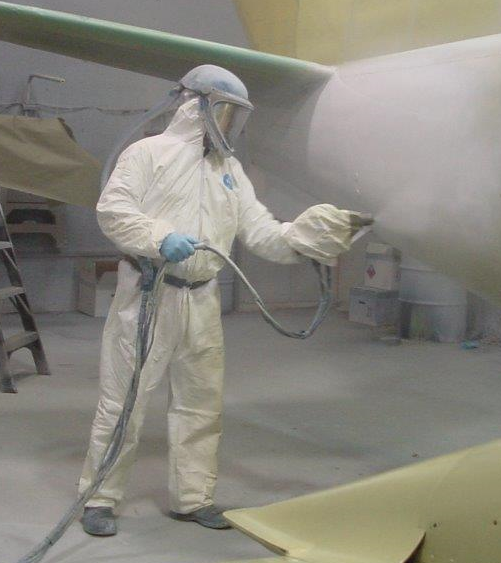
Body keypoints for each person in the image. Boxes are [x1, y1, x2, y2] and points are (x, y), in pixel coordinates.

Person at [79, 65, 355, 535]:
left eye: (236, 117)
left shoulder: (229, 171)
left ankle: (192, 498)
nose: (229, 126)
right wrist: (159, 237)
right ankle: (99, 499)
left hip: (202, 299)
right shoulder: (148, 154)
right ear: (194, 105)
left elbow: (261, 232)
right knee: (124, 400)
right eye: (224, 113)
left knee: (200, 403)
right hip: (149, 294)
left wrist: (310, 237)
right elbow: (114, 211)